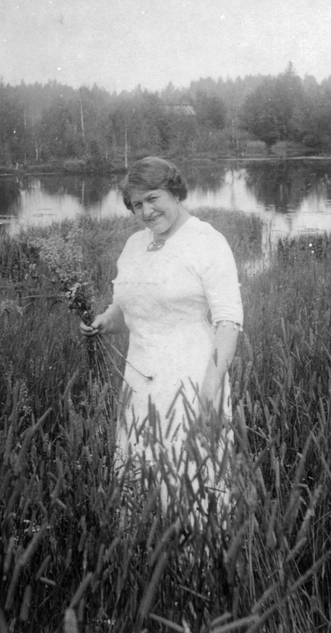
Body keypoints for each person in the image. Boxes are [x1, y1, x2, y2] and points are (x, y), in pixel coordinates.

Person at [81, 156, 243, 512]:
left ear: (174, 191)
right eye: (136, 204)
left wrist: (210, 391)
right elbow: (130, 309)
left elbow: (228, 321)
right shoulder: (134, 245)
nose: (146, 211)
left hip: (192, 378)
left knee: (194, 479)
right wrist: (105, 321)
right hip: (140, 379)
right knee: (140, 476)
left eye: (152, 198)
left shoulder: (207, 241)